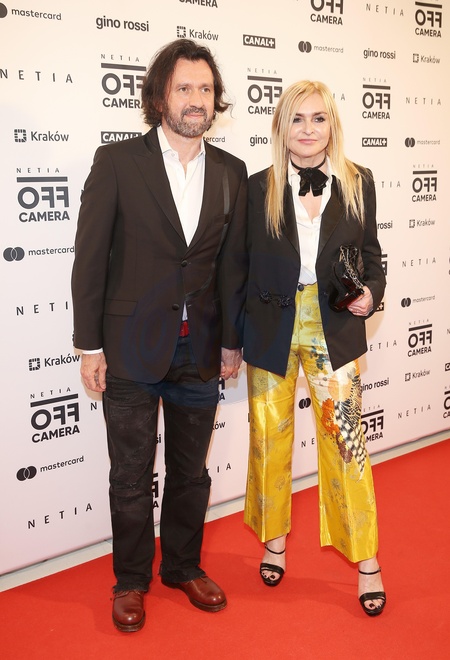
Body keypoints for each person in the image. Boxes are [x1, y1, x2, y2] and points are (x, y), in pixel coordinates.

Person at [71, 39, 247, 632]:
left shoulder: (231, 171)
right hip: (128, 349)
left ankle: (182, 567)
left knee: (191, 472)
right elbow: (89, 260)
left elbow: (230, 267)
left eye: (205, 89)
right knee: (130, 475)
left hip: (199, 348)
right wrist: (89, 346)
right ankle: (130, 580)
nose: (196, 99)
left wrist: (231, 340)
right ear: (159, 96)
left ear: (216, 99)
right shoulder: (118, 162)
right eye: (184, 88)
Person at [242, 80, 387, 616]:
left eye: (318, 118)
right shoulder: (257, 187)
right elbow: (237, 267)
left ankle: (367, 560)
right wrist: (231, 341)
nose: (308, 129)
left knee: (347, 443)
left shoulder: (358, 181)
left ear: (332, 125)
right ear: (282, 126)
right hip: (270, 326)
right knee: (268, 439)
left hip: (334, 326)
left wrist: (372, 293)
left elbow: (371, 254)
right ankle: (274, 543)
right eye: (297, 118)